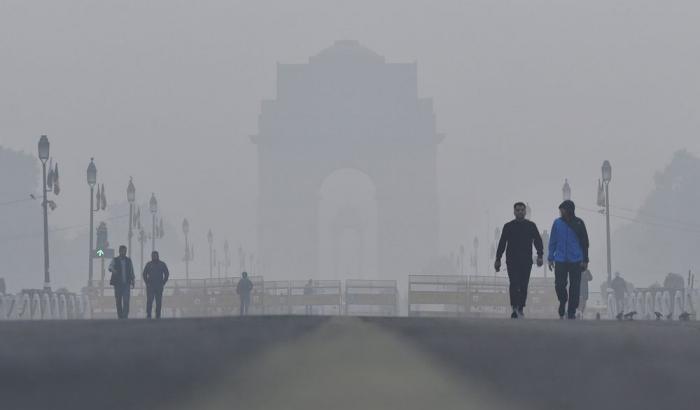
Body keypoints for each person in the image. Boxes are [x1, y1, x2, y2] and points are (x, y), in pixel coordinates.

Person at [495, 202, 544, 318]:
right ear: (514, 212)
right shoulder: (508, 226)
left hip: (526, 260)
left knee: (523, 284)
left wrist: (540, 255)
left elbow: (538, 241)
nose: (520, 212)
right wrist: (498, 258)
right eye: (518, 210)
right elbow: (502, 243)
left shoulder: (531, 226)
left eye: (522, 210)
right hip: (512, 260)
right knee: (514, 283)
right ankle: (514, 307)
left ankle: (521, 306)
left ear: (525, 212)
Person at [548, 200, 589, 319]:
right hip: (560, 259)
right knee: (559, 284)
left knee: (575, 286)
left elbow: (584, 243)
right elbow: (553, 241)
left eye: (562, 209)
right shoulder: (557, 223)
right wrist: (550, 257)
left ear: (569, 210)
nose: (560, 212)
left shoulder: (579, 223)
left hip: (576, 259)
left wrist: (585, 260)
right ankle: (562, 300)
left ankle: (571, 310)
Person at [108, 245, 135, 319]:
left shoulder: (128, 260)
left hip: (126, 284)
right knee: (118, 301)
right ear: (119, 251)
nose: (124, 252)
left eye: (125, 251)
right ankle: (120, 316)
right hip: (117, 284)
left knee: (126, 301)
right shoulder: (115, 260)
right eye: (123, 251)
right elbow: (110, 267)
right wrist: (114, 270)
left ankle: (125, 316)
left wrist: (133, 280)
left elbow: (131, 271)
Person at [142, 251, 169, 319]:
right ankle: (148, 314)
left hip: (159, 286)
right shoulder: (149, 264)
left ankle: (158, 315)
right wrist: (147, 282)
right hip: (150, 286)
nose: (154, 257)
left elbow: (167, 273)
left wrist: (163, 282)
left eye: (155, 255)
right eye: (152, 255)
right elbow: (144, 274)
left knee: (158, 301)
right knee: (149, 301)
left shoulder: (162, 264)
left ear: (158, 256)